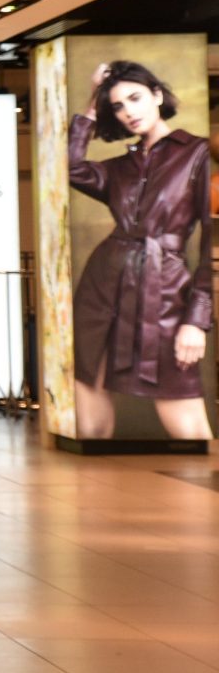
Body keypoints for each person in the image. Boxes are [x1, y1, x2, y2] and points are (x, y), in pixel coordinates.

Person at [70, 60, 214, 440]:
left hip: (164, 288)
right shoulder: (120, 167)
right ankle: (91, 487)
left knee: (184, 411)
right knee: (88, 380)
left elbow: (213, 238)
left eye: (135, 98)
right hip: (102, 285)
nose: (128, 111)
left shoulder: (199, 153)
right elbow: (72, 168)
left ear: (157, 95)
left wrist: (196, 320)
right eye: (117, 106)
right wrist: (91, 103)